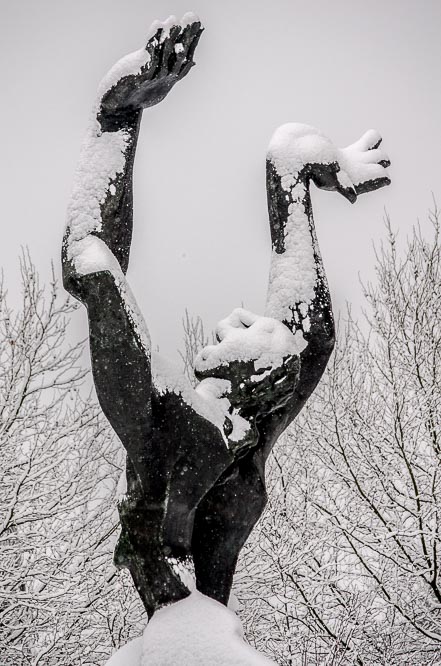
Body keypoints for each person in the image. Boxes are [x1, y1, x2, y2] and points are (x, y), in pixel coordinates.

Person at [62, 13, 390, 618]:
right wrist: (118, 118)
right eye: (244, 325)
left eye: (254, 331)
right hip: (181, 622)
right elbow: (90, 265)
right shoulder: (165, 418)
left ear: (261, 381)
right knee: (97, 276)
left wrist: (294, 171)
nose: (241, 319)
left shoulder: (246, 445)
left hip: (197, 631)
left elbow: (313, 334)